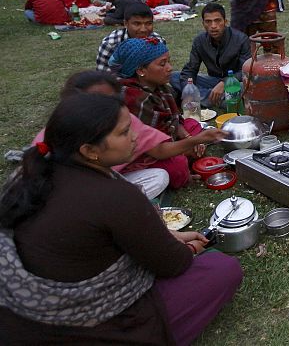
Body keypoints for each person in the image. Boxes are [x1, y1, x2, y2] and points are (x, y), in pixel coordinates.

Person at [0, 93, 242, 343]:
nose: (135, 136)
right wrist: (190, 247)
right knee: (222, 269)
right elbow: (173, 264)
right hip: (85, 325)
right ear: (90, 150)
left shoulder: (28, 174)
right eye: (124, 132)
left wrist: (167, 235)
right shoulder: (116, 196)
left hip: (18, 315)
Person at [33, 70, 226, 194]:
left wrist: (195, 139)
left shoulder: (122, 118)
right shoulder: (62, 138)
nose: (133, 136)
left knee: (161, 175)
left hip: (107, 180)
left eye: (113, 100)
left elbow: (157, 150)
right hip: (82, 193)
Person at [111, 37, 205, 153]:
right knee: (178, 164)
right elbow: (153, 146)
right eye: (162, 64)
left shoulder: (159, 86)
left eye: (169, 62)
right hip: (148, 149)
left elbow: (174, 120)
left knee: (192, 124)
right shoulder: (133, 98)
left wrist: (188, 138)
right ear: (141, 71)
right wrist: (188, 146)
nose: (170, 68)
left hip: (167, 136)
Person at [171, 3, 251, 108]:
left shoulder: (241, 39)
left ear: (225, 22)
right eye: (208, 22)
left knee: (244, 87)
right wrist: (189, 91)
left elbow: (246, 71)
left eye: (217, 21)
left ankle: (205, 99)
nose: (213, 26)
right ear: (203, 24)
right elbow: (190, 70)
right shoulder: (199, 41)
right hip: (212, 81)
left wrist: (225, 83)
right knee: (174, 77)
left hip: (235, 83)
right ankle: (215, 99)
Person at [97, 2, 165, 71]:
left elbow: (162, 71)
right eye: (137, 24)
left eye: (148, 23)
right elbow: (103, 75)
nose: (143, 30)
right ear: (126, 24)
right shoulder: (111, 43)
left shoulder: (157, 41)